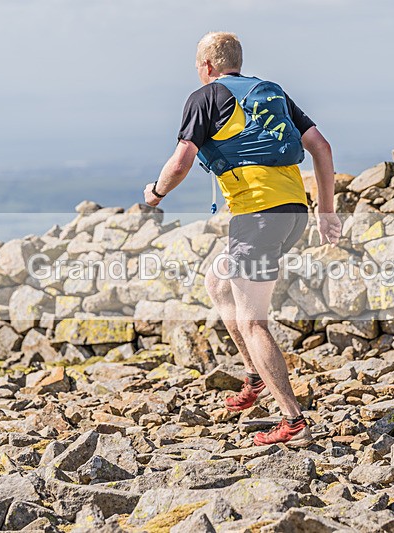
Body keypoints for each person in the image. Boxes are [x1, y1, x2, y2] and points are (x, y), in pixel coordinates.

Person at [143, 31, 341, 446]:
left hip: (258, 219)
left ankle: (293, 421)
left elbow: (181, 162)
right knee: (218, 282)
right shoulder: (270, 93)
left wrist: (156, 193)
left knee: (253, 321)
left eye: (199, 66)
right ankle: (254, 375)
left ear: (207, 66)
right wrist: (326, 212)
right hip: (293, 214)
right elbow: (320, 146)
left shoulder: (206, 97)